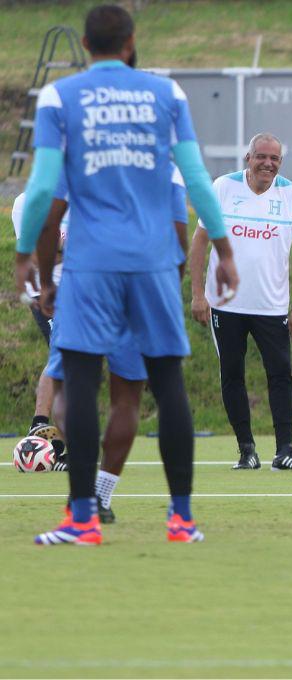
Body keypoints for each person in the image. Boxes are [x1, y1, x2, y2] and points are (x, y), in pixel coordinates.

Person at [15, 4, 239, 546]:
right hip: (153, 262)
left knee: (83, 385)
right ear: (131, 42)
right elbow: (194, 179)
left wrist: (33, 263)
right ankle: (182, 520)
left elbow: (44, 192)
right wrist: (224, 249)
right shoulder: (168, 95)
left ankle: (82, 520)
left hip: (90, 266)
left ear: (85, 47)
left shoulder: (59, 97)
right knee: (167, 384)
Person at [32, 165, 190, 524]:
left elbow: (48, 218)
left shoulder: (84, 150)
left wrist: (45, 279)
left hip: (85, 283)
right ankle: (101, 496)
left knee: (68, 386)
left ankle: (83, 489)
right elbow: (178, 236)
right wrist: (167, 287)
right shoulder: (167, 164)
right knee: (128, 397)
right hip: (142, 286)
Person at [189, 133, 292, 471]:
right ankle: (246, 450)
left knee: (281, 375)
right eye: (262, 157)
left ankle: (285, 451)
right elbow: (199, 243)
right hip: (225, 305)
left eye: (274, 159)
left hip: (272, 307)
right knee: (232, 375)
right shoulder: (223, 188)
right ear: (248, 157)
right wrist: (198, 295)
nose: (268, 164)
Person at [11, 191, 69, 464]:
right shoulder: (27, 202)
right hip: (44, 293)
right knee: (63, 355)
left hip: (79, 291)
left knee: (73, 361)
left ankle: (55, 439)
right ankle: (40, 427)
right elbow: (34, 256)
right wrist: (60, 250)